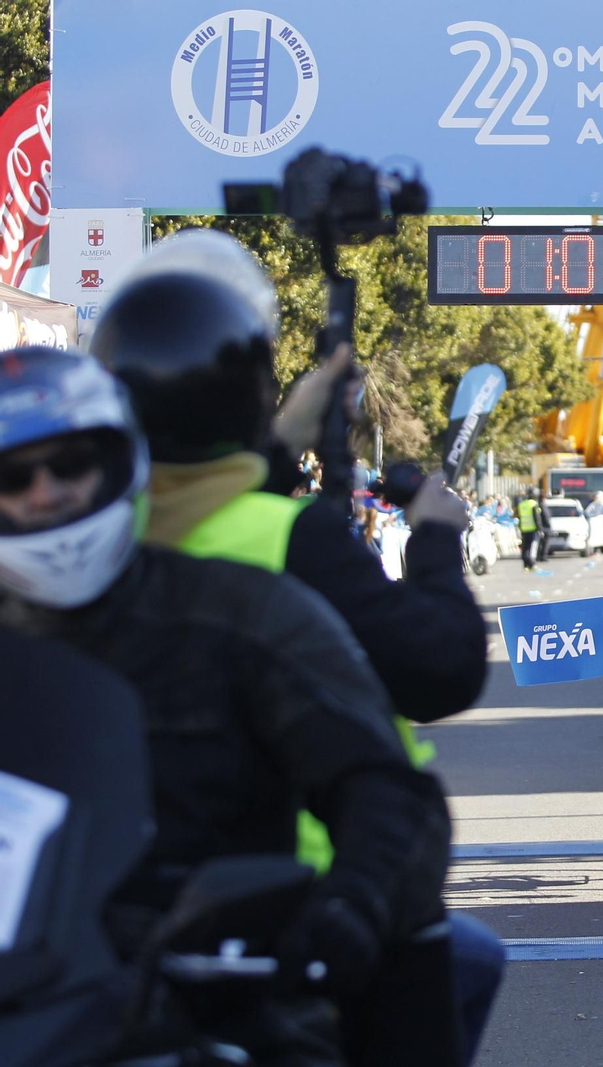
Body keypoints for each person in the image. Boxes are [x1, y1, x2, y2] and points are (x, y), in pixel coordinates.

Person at [91, 245, 497, 1064]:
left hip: (102, 893)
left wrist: (282, 437)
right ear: (249, 395)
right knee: (468, 960)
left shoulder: (86, 532)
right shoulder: (288, 535)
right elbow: (440, 667)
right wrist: (437, 544)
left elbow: (201, 485)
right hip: (310, 887)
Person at [0, 347, 453, 1052]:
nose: (44, 493)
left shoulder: (244, 611)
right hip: (34, 1001)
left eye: (70, 465)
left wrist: (348, 907)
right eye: (14, 477)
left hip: (219, 999)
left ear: (123, 463)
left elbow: (385, 786)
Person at [517, 491, 543, 570]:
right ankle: (532, 564)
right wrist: (540, 529)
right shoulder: (533, 504)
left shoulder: (521, 504)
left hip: (524, 529)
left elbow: (519, 517)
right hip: (533, 529)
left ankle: (525, 565)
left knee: (525, 548)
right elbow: (537, 518)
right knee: (533, 547)